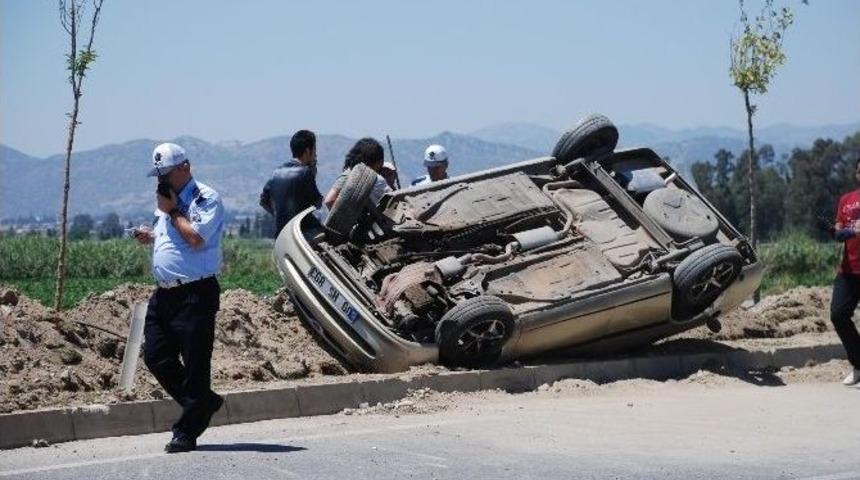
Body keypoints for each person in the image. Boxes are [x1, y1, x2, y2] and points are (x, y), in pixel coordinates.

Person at [133, 142, 225, 453]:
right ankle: (203, 403)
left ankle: (186, 432)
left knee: (196, 366)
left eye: (167, 174)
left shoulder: (205, 198)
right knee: (156, 356)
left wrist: (172, 210)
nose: (161, 181)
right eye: (158, 175)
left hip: (195, 293)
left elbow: (196, 239)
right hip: (165, 294)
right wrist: (151, 234)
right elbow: (172, 236)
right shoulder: (165, 202)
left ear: (185, 168)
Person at [830, 158, 860, 386]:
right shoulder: (846, 200)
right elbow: (839, 231)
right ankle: (859, 365)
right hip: (849, 269)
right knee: (838, 315)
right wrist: (840, 231)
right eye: (859, 171)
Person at [260, 130, 323, 236]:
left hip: (281, 233)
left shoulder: (276, 173)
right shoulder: (305, 172)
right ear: (308, 151)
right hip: (302, 233)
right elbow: (317, 202)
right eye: (314, 149)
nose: (315, 154)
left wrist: (279, 214)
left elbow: (263, 202)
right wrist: (313, 173)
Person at [323, 137, 391, 208]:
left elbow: (329, 200)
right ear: (378, 162)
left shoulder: (347, 174)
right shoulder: (378, 180)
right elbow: (394, 201)